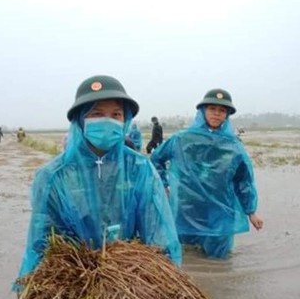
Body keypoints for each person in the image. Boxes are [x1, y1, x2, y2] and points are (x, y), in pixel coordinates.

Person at [18, 75, 181, 281]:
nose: (107, 120)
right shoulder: (53, 175)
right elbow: (41, 242)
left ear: (125, 120)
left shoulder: (139, 168)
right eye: (96, 113)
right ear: (80, 119)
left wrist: (163, 278)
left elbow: (157, 229)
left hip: (126, 275)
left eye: (115, 114)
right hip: (72, 275)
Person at [151, 88, 263, 259]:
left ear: (227, 115)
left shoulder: (233, 145)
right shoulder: (182, 139)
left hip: (220, 208)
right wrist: (164, 185)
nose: (217, 114)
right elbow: (156, 159)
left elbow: (243, 180)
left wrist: (251, 211)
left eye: (222, 110)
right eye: (212, 109)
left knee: (219, 258)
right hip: (187, 206)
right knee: (184, 254)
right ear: (203, 111)